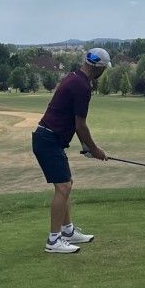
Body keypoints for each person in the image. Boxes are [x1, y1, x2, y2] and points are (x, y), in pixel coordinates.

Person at [32, 47, 111, 253]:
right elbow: (80, 125)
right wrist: (94, 149)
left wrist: (86, 147)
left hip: (48, 138)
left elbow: (74, 123)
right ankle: (53, 241)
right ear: (100, 69)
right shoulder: (83, 86)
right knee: (64, 187)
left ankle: (67, 231)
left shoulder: (73, 77)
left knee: (66, 184)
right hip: (48, 139)